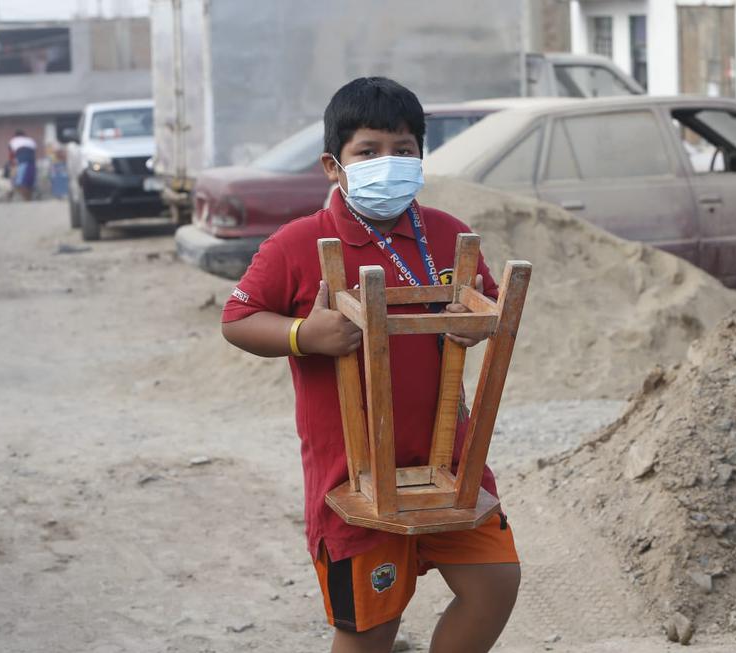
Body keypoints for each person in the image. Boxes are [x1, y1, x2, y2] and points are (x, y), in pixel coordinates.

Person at [222, 78, 519, 653]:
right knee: (369, 630)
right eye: (369, 151)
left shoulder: (448, 234)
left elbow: (485, 304)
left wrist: (477, 322)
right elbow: (237, 318)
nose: (390, 163)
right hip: (351, 474)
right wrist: (303, 334)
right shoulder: (298, 243)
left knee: (494, 586)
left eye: (404, 150)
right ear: (334, 165)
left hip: (450, 464)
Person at [8, 129, 37, 201]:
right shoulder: (30, 140)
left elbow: (11, 154)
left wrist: (11, 164)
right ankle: (28, 198)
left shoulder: (13, 140)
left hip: (22, 162)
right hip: (32, 163)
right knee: (30, 183)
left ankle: (26, 199)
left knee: (20, 183)